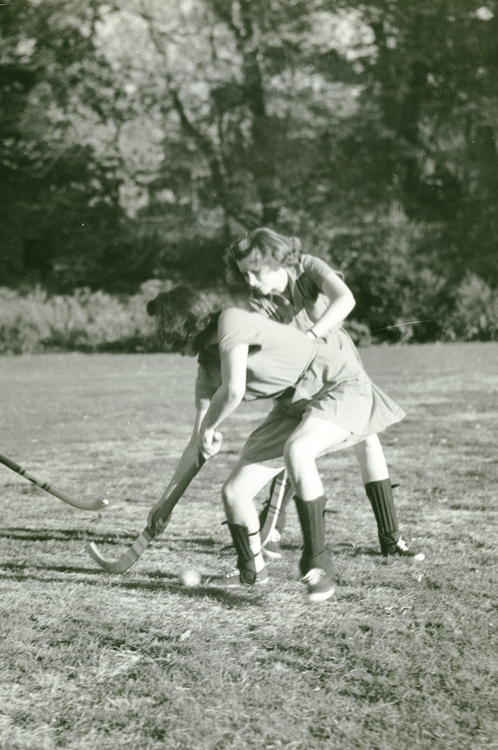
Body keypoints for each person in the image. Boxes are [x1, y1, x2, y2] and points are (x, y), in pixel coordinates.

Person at [146, 285, 406, 603]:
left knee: (298, 450)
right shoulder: (207, 369)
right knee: (234, 492)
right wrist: (165, 505)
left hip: (334, 384)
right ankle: (253, 570)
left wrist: (210, 427)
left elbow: (234, 390)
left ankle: (318, 564)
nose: (170, 346)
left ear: (183, 328)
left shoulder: (231, 321)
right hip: (291, 407)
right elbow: (195, 445)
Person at [226, 228, 424, 563]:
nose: (251, 281)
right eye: (244, 273)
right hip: (303, 377)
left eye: (255, 271)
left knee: (367, 441)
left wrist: (312, 333)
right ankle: (272, 528)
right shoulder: (260, 302)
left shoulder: (308, 267)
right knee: (298, 448)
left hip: (342, 367)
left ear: (275, 259)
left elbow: (345, 299)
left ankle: (391, 540)